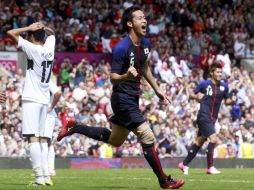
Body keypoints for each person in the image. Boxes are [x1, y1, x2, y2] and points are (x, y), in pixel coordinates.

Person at [57, 6, 185, 189]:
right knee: (148, 136)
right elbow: (113, 78)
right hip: (122, 99)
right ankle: (163, 180)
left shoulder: (146, 44)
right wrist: (126, 76)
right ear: (130, 23)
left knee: (115, 140)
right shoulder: (121, 48)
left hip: (132, 99)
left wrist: (157, 89)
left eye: (145, 17)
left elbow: (145, 67)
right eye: (140, 18)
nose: (145, 20)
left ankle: (73, 126)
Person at [7, 22, 55, 186]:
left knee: (32, 139)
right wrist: (42, 27)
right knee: (41, 139)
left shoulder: (32, 48)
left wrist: (29, 28)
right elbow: (52, 33)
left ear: (32, 36)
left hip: (31, 99)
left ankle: (39, 177)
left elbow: (11, 33)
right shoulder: (50, 46)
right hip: (43, 99)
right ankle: (46, 176)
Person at [178, 62, 237, 175]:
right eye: (218, 72)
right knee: (213, 139)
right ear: (212, 73)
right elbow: (191, 95)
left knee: (199, 141)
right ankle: (210, 167)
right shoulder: (204, 84)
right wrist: (197, 96)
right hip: (203, 115)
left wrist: (233, 100)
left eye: (221, 72)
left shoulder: (224, 86)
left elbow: (227, 101)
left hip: (213, 118)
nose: (220, 74)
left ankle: (184, 164)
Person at [46, 80, 62, 176]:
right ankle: (43, 168)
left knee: (47, 141)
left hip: (48, 115)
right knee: (39, 141)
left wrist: (51, 107)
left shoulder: (47, 80)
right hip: (39, 114)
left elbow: (58, 92)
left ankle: (51, 168)